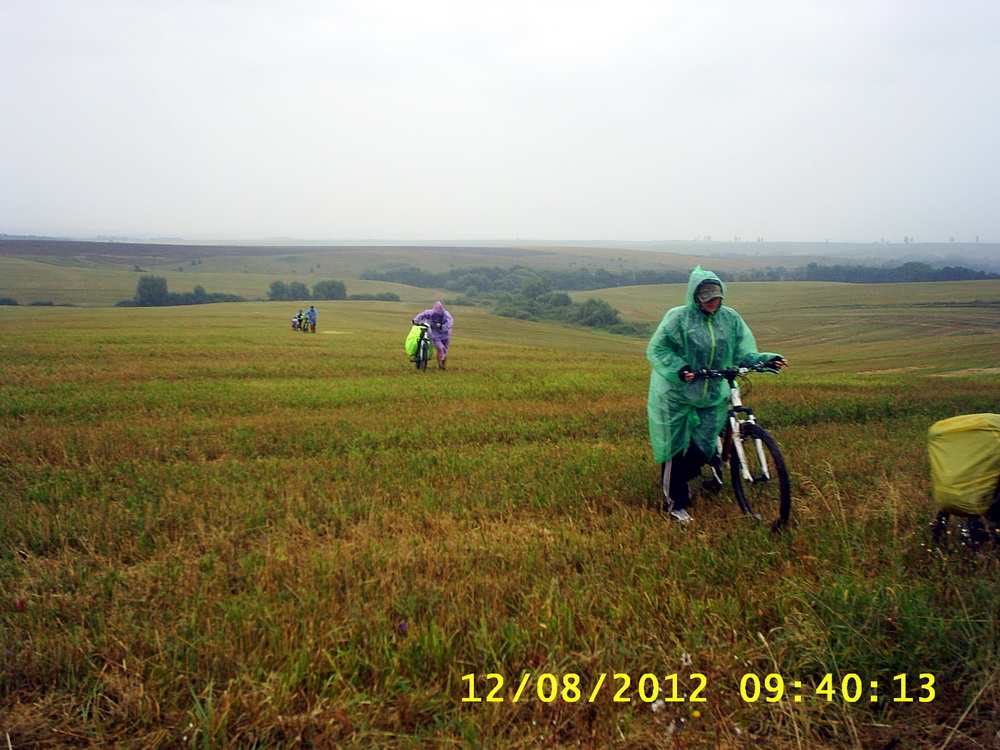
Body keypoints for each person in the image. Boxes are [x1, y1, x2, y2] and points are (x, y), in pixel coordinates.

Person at [646, 266, 787, 523]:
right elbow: (658, 349)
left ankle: (683, 478)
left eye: (716, 297)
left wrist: (766, 360)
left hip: (712, 391)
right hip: (675, 392)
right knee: (672, 448)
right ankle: (676, 505)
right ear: (695, 296)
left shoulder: (730, 319)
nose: (712, 302)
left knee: (703, 447)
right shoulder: (678, 318)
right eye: (706, 297)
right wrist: (680, 368)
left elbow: (742, 352)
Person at [412, 301, 453, 370]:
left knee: (444, 350)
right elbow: (421, 315)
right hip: (435, 334)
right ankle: (440, 365)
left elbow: (449, 323)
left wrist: (442, 326)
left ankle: (442, 365)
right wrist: (415, 320)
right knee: (440, 348)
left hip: (445, 334)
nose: (436, 314)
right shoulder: (429, 313)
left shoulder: (446, 315)